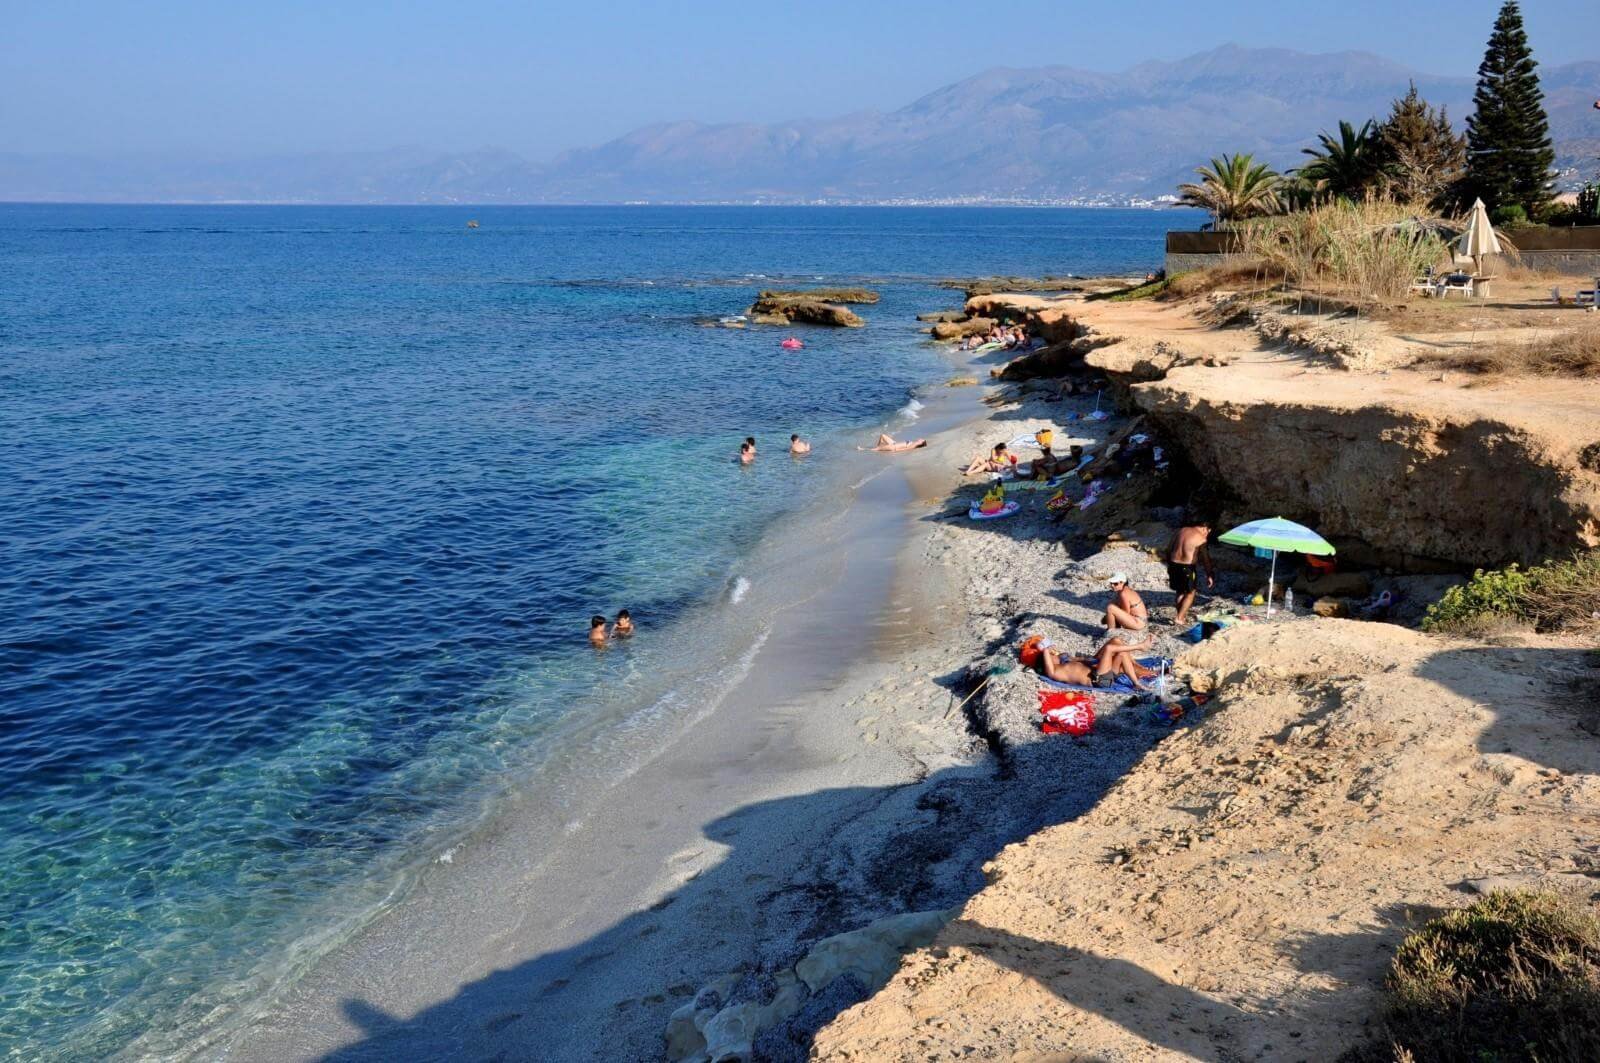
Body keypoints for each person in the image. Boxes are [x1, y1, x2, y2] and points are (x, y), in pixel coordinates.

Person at [1038, 633, 1157, 690]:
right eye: (1051, 655)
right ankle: (1140, 646)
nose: (1054, 654)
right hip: (1100, 681)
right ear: (1046, 660)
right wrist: (1045, 650)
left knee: (1121, 651)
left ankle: (1136, 683)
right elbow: (1046, 652)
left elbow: (1082, 659)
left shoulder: (1063, 662)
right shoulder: (1054, 671)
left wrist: (1087, 660)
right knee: (1110, 649)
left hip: (1102, 672)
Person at [1167, 519, 1216, 626]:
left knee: (1180, 591)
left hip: (1173, 564)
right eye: (1208, 532)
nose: (1207, 534)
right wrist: (1209, 574)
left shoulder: (1181, 530)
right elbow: (1205, 559)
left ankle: (1180, 614)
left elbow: (1169, 548)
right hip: (1187, 567)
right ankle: (1179, 618)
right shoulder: (1201, 538)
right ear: (1205, 529)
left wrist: (1169, 564)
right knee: (1190, 593)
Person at [861, 433, 927, 453]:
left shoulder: (915, 444)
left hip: (894, 447)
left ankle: (862, 449)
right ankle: (879, 447)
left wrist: (896, 450)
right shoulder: (914, 443)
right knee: (882, 436)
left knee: (876, 449)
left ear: (921, 442)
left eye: (922, 439)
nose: (920, 438)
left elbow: (907, 449)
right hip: (894, 443)